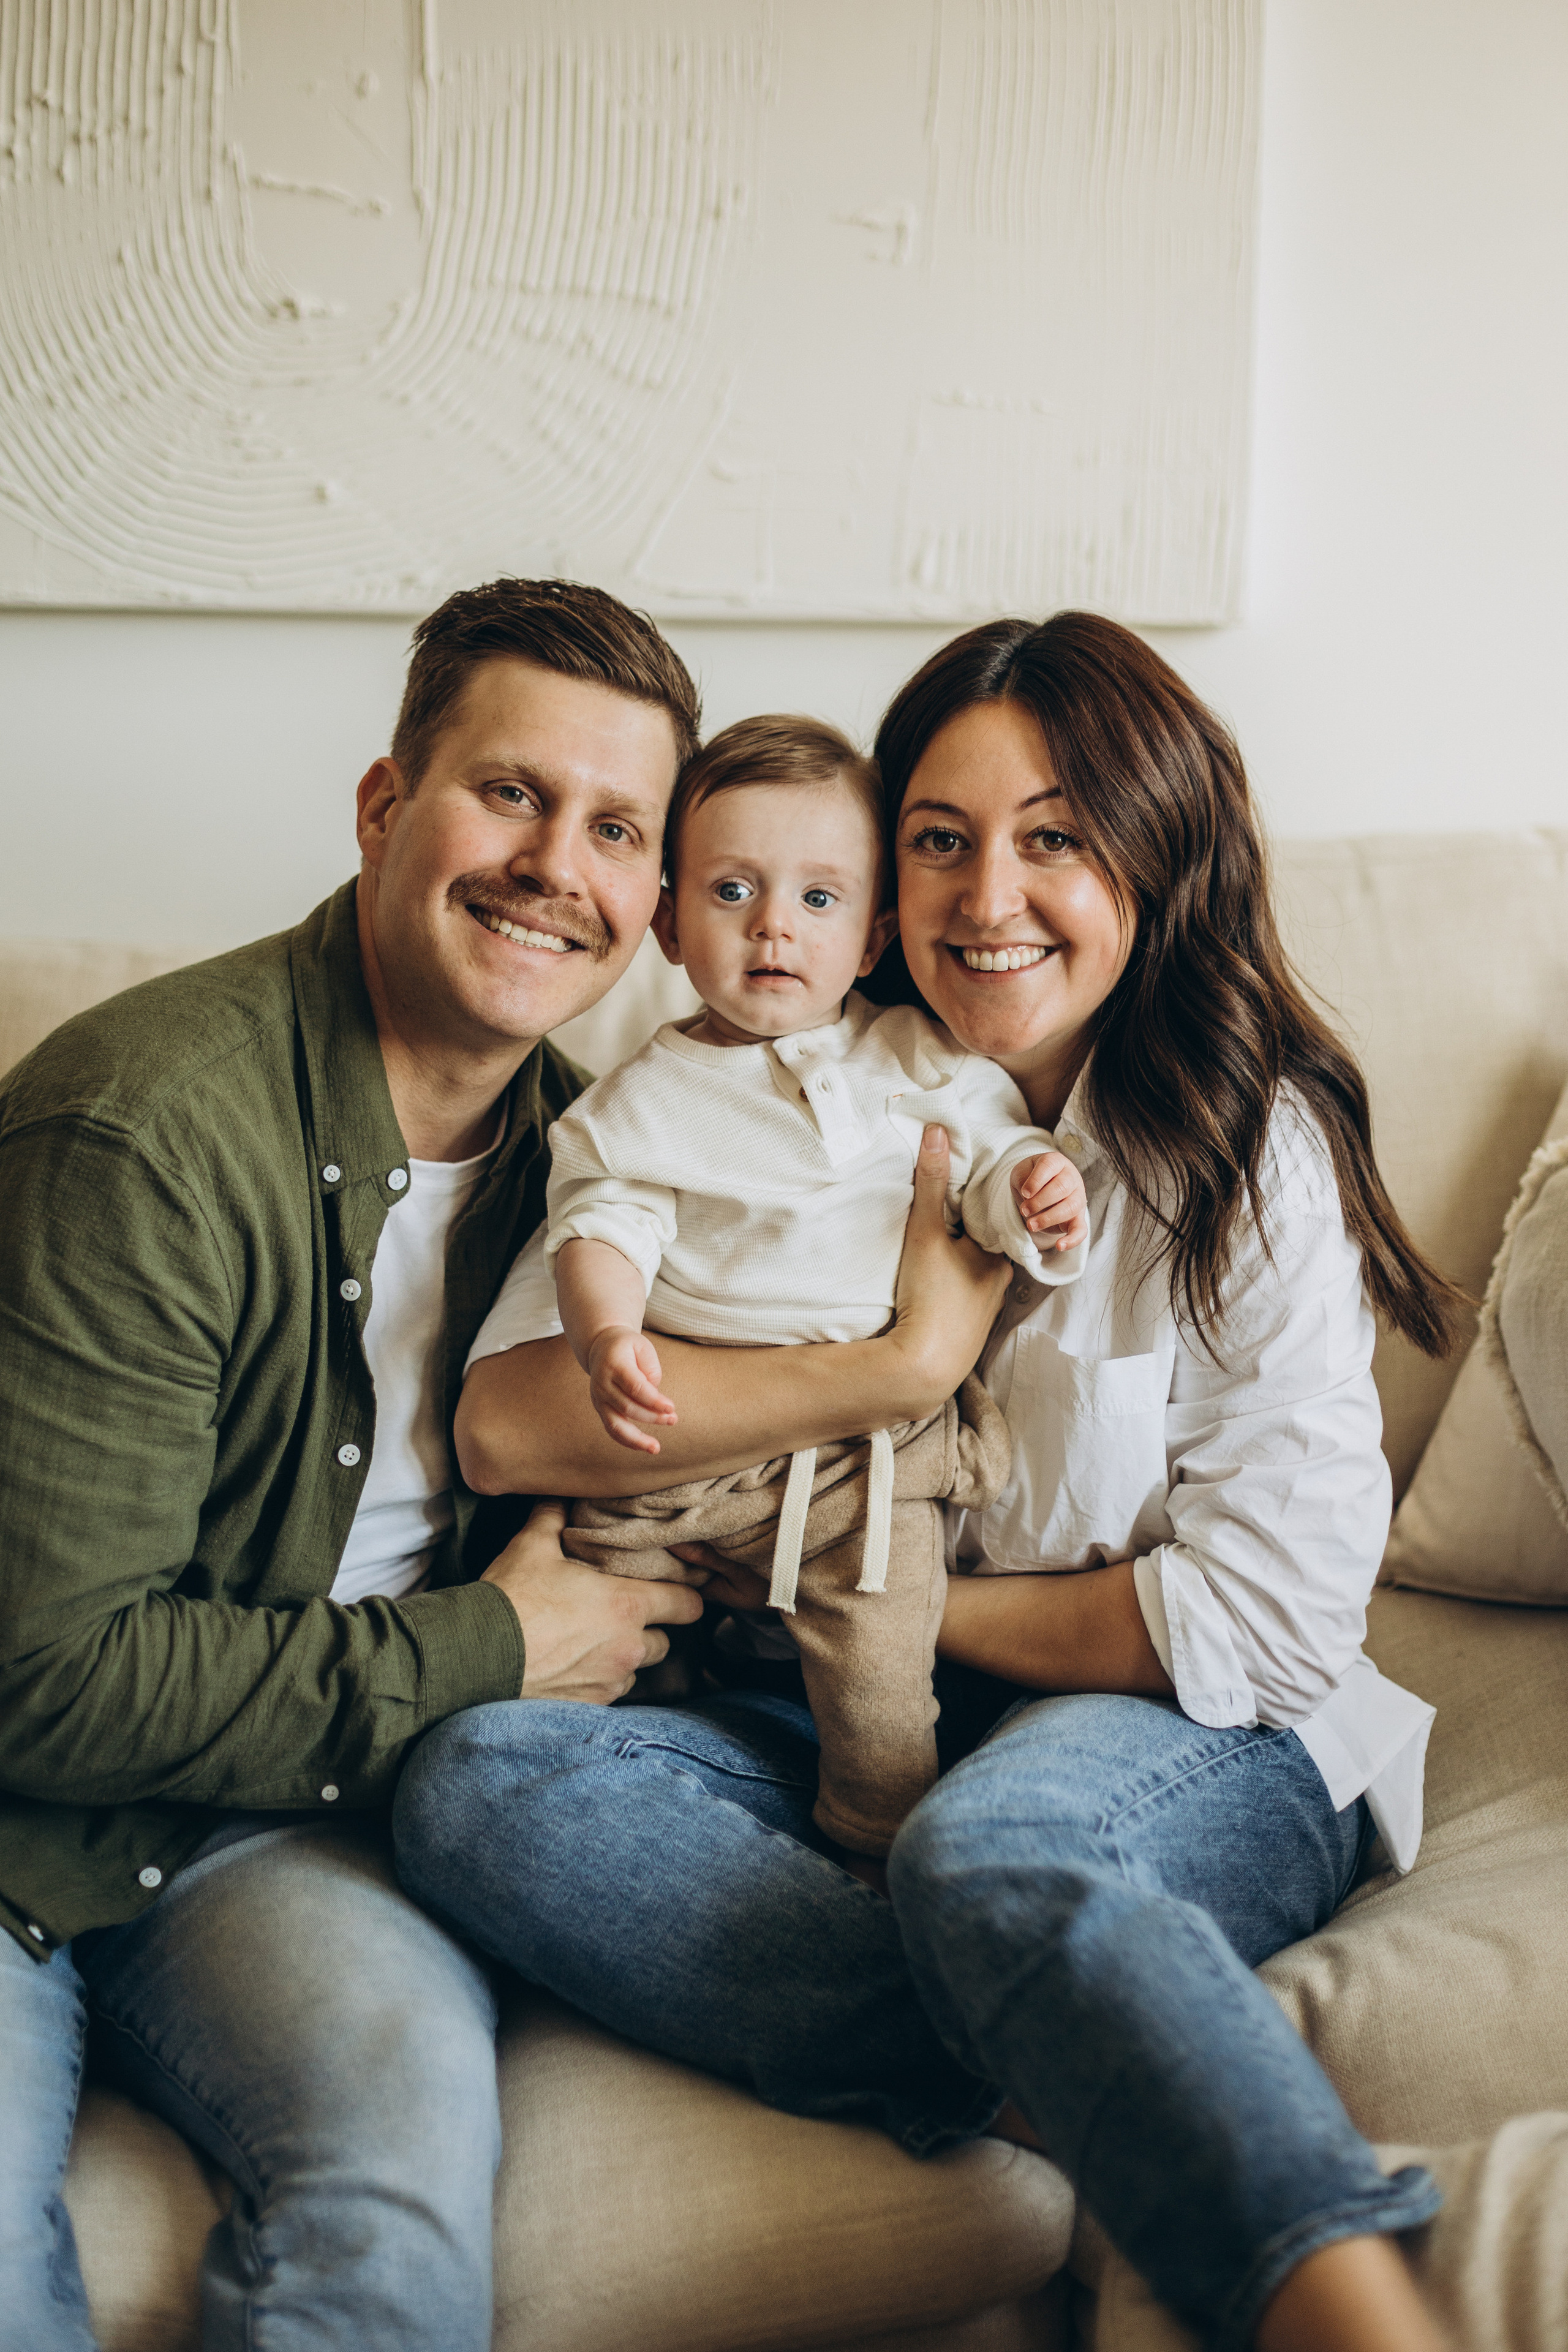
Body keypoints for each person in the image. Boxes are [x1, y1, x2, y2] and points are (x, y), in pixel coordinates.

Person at [396, 614, 1463, 2352]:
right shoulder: (768, 1081)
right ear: (880, 881)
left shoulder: (1241, 1140)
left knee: (991, 1845)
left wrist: (872, 1602)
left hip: (1194, 1738)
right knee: (475, 1779)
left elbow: (1266, 1626)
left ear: (1156, 852)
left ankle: (1342, 2300)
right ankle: (1054, 2054)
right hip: (829, 1719)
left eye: (1055, 837)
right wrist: (883, 1377)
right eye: (941, 842)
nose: (991, 900)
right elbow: (512, 1424)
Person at [0, 578, 1004, 2352]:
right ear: (387, 807)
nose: (561, 864)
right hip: (27, 1825)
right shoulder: (142, 1134)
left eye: (618, 826)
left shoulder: (588, 1151)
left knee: (391, 2227)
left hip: (289, 1833)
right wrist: (491, 1649)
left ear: (659, 899)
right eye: (511, 794)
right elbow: (42, 1680)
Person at [474, 713, 1087, 1853]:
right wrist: (609, 1339)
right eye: (732, 891)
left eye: (818, 900)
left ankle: (875, 1824)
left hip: (864, 1471)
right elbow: (604, 1222)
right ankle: (640, 1776)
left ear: (871, 938)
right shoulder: (638, 1100)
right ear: (666, 921)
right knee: (588, 1622)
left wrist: (1033, 1191)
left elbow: (990, 1162)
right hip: (678, 1446)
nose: (772, 928)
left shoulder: (919, 1056)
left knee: (884, 1656)